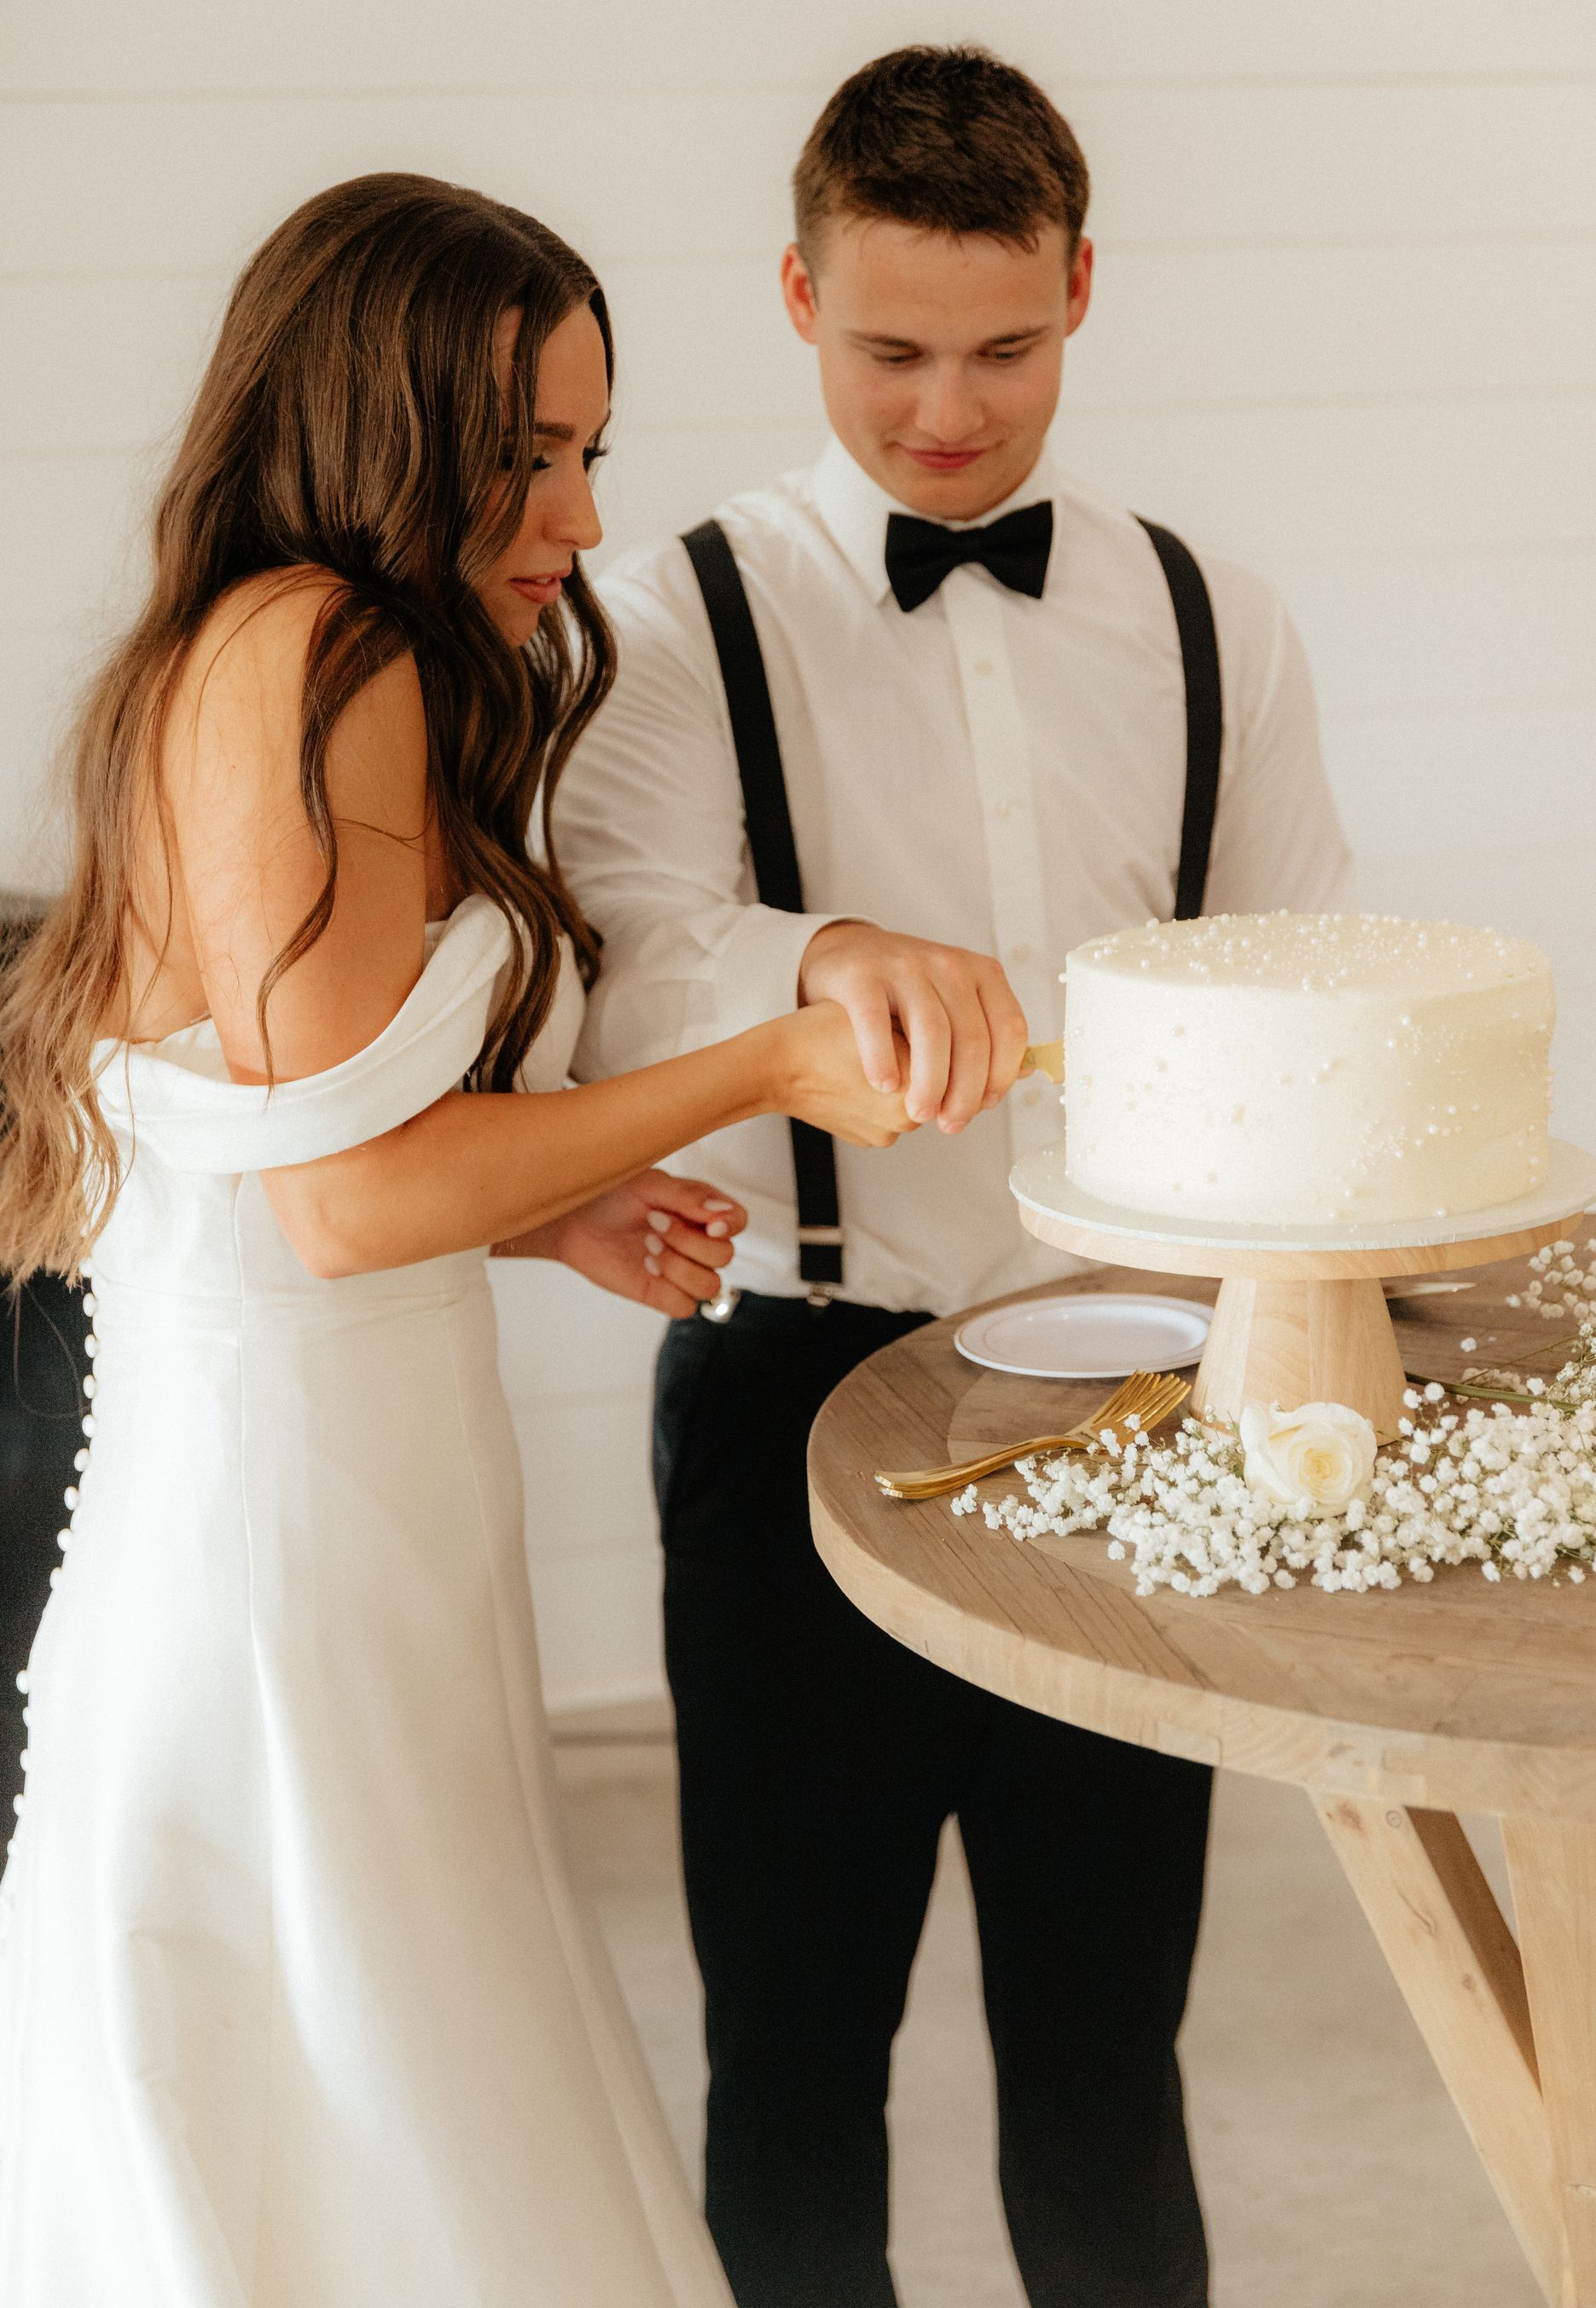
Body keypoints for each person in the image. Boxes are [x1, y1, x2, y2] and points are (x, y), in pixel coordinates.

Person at [0, 172, 927, 2307]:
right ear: (378, 419)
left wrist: (551, 1210)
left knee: (405, 2072)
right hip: (279, 1543)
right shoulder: (321, 651)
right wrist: (767, 1067)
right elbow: (340, 1206)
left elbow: (280, 1148)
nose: (582, 515)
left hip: (366, 1493)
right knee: (362, 2107)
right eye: (530, 455)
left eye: (591, 452)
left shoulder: (282, 648)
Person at [555, 44, 1355, 2308]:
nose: (946, 415)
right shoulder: (669, 614)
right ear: (797, 294)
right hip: (795, 1400)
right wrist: (827, 961)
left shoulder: (1220, 620)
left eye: (1004, 350)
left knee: (1108, 2061)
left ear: (1085, 289)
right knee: (790, 2066)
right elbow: (624, 971)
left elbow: (1293, 976)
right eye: (891, 351)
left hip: (1133, 1427)